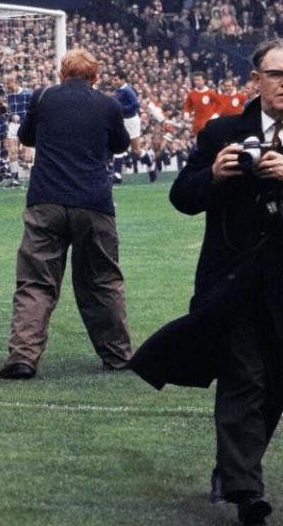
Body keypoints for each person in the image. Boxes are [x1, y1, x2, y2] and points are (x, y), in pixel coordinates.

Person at [130, 38, 283, 526]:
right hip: (234, 282)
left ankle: (232, 469)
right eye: (277, 75)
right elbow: (182, 196)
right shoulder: (221, 131)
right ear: (255, 79)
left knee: (275, 384)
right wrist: (213, 176)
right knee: (245, 376)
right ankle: (245, 492)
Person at [0, 49, 133, 380]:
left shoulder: (43, 98)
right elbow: (121, 144)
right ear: (95, 77)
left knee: (36, 282)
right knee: (102, 281)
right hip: (94, 204)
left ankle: (23, 357)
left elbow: (26, 137)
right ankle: (118, 356)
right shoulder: (109, 104)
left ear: (61, 73)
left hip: (46, 201)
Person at [184, 71, 221, 136]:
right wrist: (186, 113)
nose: (196, 82)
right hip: (197, 123)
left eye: (199, 80)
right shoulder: (191, 93)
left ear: (204, 81)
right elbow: (187, 105)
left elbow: (220, 104)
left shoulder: (210, 93)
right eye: (195, 80)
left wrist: (216, 115)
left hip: (208, 122)